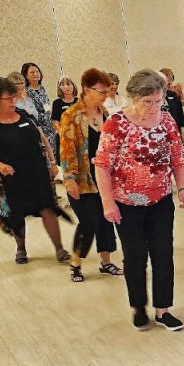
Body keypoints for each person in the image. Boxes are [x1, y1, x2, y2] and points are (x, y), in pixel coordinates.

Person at [94, 69, 184, 331]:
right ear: (133, 98)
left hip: (160, 201)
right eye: (148, 102)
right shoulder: (117, 124)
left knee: (163, 254)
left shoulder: (167, 122)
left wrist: (181, 188)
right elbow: (102, 165)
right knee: (135, 257)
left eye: (158, 101)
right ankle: (138, 307)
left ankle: (163, 310)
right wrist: (107, 203)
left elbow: (177, 159)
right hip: (126, 204)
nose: (154, 107)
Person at [0, 77, 71, 264]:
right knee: (16, 213)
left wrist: (52, 163)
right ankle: (21, 249)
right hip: (11, 176)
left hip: (37, 172)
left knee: (48, 209)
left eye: (14, 97)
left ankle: (59, 248)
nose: (13, 101)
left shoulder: (25, 115)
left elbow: (43, 139)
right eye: (8, 98)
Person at [59, 69, 123, 282]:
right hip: (81, 179)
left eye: (107, 90)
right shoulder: (70, 116)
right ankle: (75, 263)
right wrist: (69, 178)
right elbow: (66, 149)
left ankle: (106, 262)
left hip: (104, 177)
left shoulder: (105, 112)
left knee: (106, 218)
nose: (106, 94)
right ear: (86, 90)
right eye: (101, 91)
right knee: (88, 222)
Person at [21, 62, 58, 150]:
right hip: (37, 125)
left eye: (37, 71)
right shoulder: (26, 91)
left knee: (53, 151)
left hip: (48, 124)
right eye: (32, 72)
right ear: (26, 75)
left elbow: (47, 106)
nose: (36, 74)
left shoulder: (42, 88)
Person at [51, 76, 78, 166]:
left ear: (73, 86)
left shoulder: (79, 101)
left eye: (68, 84)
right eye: (63, 85)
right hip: (64, 138)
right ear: (60, 88)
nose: (66, 87)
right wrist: (64, 135)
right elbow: (55, 122)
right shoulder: (57, 103)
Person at [159, 67, 184, 140]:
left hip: (179, 122)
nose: (170, 77)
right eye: (167, 75)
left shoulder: (176, 90)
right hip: (166, 127)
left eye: (171, 75)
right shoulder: (159, 93)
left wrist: (181, 92)